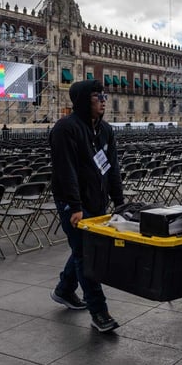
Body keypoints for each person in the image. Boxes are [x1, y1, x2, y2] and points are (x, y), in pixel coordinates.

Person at [49, 79, 125, 333]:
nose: (103, 100)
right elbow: (65, 170)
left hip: (97, 200)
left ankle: (64, 289)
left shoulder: (105, 130)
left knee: (84, 249)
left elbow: (112, 167)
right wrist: (75, 206)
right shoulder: (65, 129)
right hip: (74, 204)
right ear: (83, 100)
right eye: (96, 96)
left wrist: (120, 201)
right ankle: (99, 311)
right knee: (86, 254)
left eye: (103, 95)